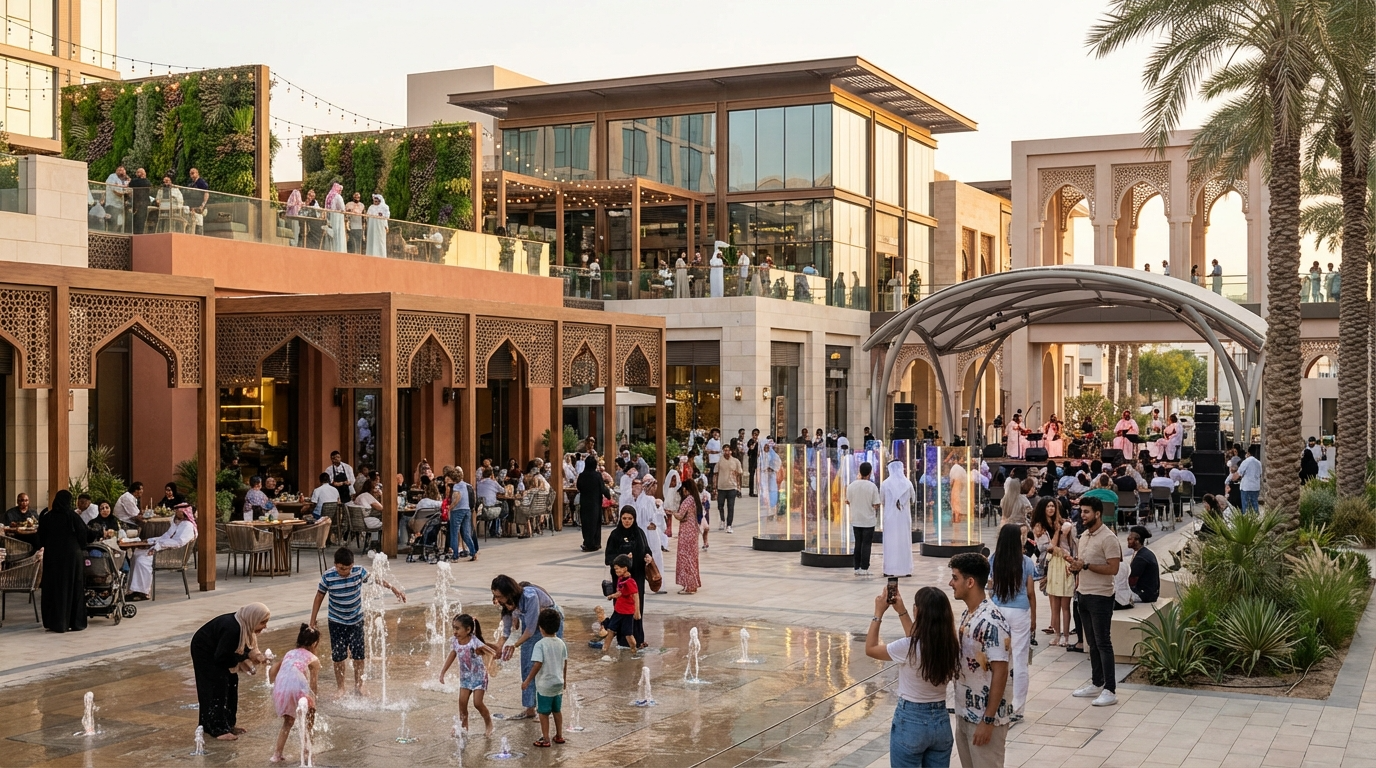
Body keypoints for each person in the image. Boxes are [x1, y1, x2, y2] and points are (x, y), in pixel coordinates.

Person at [864, 585, 960, 765]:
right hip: (940, 722)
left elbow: (870, 649)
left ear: (918, 611)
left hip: (911, 720)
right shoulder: (951, 645)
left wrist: (878, 613)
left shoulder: (908, 647)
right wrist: (902, 612)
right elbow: (919, 639)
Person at [309, 547, 406, 695]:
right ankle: (340, 687)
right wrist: (312, 621)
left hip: (356, 620)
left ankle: (359, 685)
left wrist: (393, 589)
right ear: (335, 565)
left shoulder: (358, 571)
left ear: (352, 565)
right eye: (341, 568)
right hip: (336, 621)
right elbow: (319, 597)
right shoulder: (328, 576)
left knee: (359, 655)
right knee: (338, 656)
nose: (345, 572)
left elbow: (376, 579)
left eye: (348, 568)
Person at [947, 552, 1013, 765]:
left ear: (970, 582)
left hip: (984, 718)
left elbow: (1000, 672)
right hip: (965, 712)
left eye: (955, 577)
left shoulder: (991, 621)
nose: (951, 583)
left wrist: (988, 720)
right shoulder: (970, 614)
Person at [1069, 497, 1122, 708]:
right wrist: (1075, 568)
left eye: (1086, 512)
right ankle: (1097, 682)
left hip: (1101, 596)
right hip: (1083, 594)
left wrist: (1087, 565)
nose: (1082, 515)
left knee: (1103, 643)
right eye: (1081, 511)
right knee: (1091, 643)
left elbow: (1113, 568)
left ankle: (1110, 689)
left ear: (1097, 514)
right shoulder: (1083, 537)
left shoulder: (1108, 538)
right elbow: (1082, 564)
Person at [190, 603, 271, 739]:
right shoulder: (234, 628)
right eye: (262, 622)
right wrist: (247, 656)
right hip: (204, 650)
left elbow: (238, 650)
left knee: (232, 683)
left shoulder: (244, 625)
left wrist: (254, 655)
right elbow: (222, 657)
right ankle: (217, 729)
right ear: (253, 619)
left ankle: (227, 724)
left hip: (218, 651)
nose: (265, 627)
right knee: (216, 686)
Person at [492, 575, 564, 720]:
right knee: (527, 664)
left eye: (499, 596)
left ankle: (550, 703)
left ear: (509, 592)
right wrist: (498, 647)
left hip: (549, 620)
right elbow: (506, 631)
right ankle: (530, 707)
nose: (496, 599)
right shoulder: (506, 604)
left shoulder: (529, 596)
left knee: (548, 663)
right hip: (531, 623)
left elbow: (530, 630)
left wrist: (515, 645)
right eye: (494, 595)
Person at [990, 523, 1037, 716]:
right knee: (1019, 660)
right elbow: (1031, 593)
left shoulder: (994, 559)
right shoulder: (1026, 562)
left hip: (998, 610)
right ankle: (1018, 707)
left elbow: (991, 587)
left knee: (998, 658)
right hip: (1019, 612)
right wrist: (1034, 618)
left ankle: (997, 700)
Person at [37, 490, 100, 632]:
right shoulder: (72, 517)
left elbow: (40, 538)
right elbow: (84, 535)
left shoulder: (47, 517)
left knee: (54, 588)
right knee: (73, 587)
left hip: (53, 557)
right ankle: (74, 622)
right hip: (72, 557)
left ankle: (56, 622)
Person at [269, 624, 321, 764]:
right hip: (298, 687)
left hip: (282, 688)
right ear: (314, 643)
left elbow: (275, 669)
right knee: (309, 719)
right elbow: (313, 684)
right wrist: (313, 702)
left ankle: (277, 754)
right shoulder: (313, 659)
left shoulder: (289, 653)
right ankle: (307, 751)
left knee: (288, 722)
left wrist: (272, 681)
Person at [439, 612, 497, 736]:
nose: (455, 631)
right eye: (453, 628)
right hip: (465, 678)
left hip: (479, 677)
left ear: (468, 629)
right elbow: (452, 655)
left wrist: (485, 655)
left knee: (477, 703)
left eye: (457, 628)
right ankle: (463, 728)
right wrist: (443, 672)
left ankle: (488, 723)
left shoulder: (475, 642)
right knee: (462, 704)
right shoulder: (455, 641)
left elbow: (493, 653)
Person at [127, 502, 196, 600]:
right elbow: (166, 536)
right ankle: (134, 590)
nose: (175, 512)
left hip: (172, 555)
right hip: (165, 550)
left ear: (183, 512)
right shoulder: (177, 524)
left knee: (142, 560)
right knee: (137, 553)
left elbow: (178, 543)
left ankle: (143, 592)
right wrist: (150, 541)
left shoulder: (188, 526)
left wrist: (157, 547)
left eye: (177, 510)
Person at [523, 608, 568, 749]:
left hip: (545, 685)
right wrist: (564, 680)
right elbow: (565, 662)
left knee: (543, 713)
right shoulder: (561, 643)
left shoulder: (540, 645)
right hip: (558, 683)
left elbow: (537, 664)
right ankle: (559, 735)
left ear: (540, 628)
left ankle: (546, 738)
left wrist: (527, 680)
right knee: (557, 710)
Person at [604, 507, 652, 640]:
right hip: (621, 580)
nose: (627, 521)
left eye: (630, 518)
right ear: (620, 518)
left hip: (637, 578)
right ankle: (623, 639)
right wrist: (623, 558)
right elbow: (608, 558)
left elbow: (647, 549)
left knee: (637, 606)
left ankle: (638, 638)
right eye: (624, 518)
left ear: (634, 519)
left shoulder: (639, 533)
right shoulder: (615, 535)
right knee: (622, 608)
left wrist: (648, 556)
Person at [847, 461, 882, 577]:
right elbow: (876, 503)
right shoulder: (872, 486)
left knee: (858, 543)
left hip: (856, 518)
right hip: (868, 520)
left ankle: (856, 567)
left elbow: (848, 501)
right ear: (870, 473)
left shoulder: (851, 486)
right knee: (866, 544)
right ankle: (864, 568)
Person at [881, 459, 914, 578]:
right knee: (904, 542)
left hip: (890, 518)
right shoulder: (908, 483)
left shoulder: (885, 483)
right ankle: (906, 569)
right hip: (904, 518)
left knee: (890, 543)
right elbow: (913, 499)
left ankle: (889, 569)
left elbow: (882, 500)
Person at [604, 554, 644, 650]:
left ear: (625, 568)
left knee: (628, 635)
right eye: (615, 569)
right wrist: (612, 596)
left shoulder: (630, 582)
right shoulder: (621, 579)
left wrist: (637, 611)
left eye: (618, 568)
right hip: (618, 611)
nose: (616, 571)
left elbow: (636, 595)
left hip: (627, 613)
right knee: (610, 631)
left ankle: (634, 650)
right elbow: (620, 592)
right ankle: (604, 650)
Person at [672, 481, 703, 594]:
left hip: (686, 533)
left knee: (685, 557)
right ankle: (692, 583)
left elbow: (680, 515)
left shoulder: (688, 500)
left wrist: (673, 513)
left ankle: (690, 585)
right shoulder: (694, 499)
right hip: (693, 532)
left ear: (686, 489)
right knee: (691, 557)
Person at [577, 458, 610, 552]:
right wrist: (608, 495)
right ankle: (595, 543)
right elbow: (602, 487)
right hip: (595, 502)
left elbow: (579, 487)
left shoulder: (582, 475)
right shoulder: (597, 475)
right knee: (595, 523)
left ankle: (588, 542)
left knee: (586, 523)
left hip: (584, 502)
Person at [447, 468, 478, 561]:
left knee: (454, 532)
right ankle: (473, 552)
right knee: (466, 533)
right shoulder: (468, 485)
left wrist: (450, 507)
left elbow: (457, 497)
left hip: (457, 510)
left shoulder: (456, 486)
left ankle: (455, 556)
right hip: (467, 510)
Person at [1126, 526, 1159, 604]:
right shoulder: (1145, 552)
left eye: (1130, 539)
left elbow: (1131, 581)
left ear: (1137, 541)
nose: (1128, 541)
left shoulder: (1141, 557)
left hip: (1144, 595)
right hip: (1151, 593)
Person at [715, 444, 743, 533]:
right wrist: (714, 487)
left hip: (732, 487)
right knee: (720, 505)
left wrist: (739, 487)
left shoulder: (736, 461)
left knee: (730, 507)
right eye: (725, 450)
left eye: (728, 450)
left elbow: (739, 475)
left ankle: (729, 525)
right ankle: (722, 520)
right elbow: (715, 474)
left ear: (731, 451)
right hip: (721, 487)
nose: (726, 452)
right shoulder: (719, 461)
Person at [1232, 445, 1262, 514]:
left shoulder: (1246, 462)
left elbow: (1238, 474)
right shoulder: (1259, 463)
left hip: (1246, 488)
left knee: (1246, 508)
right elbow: (1260, 474)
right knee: (1255, 507)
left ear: (1248, 453)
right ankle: (1256, 521)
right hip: (1256, 488)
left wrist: (1232, 478)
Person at [324, 182, 346, 253]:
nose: (340, 192)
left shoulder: (328, 196)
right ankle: (338, 250)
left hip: (329, 217)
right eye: (340, 190)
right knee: (337, 234)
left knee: (330, 233)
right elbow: (342, 208)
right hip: (337, 218)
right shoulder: (337, 196)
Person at [187, 167, 210, 235]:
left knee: (198, 220)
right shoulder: (192, 184)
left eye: (193, 173)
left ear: (197, 173)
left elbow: (206, 192)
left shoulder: (201, 182)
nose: (192, 175)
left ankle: (199, 236)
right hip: (194, 206)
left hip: (200, 207)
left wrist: (203, 205)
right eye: (190, 174)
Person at [129, 167, 151, 234]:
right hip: (139, 203)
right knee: (139, 220)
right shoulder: (144, 181)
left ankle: (137, 234)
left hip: (140, 203)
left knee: (139, 220)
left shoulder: (143, 181)